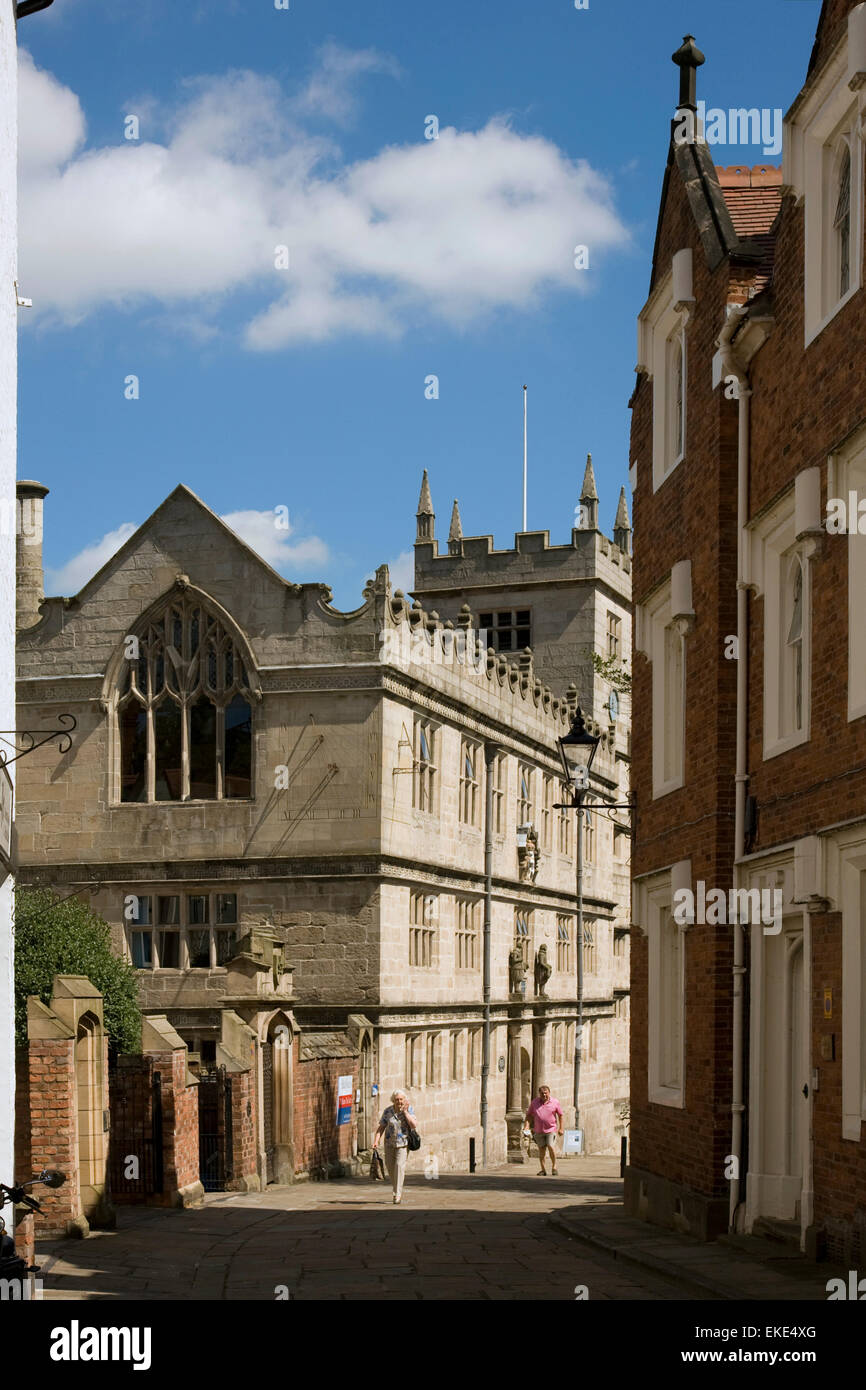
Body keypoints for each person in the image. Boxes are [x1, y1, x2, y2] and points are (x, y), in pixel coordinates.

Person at [372, 1089, 418, 1204]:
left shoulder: (409, 1109)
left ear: (404, 1100)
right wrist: (376, 1141)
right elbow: (381, 1127)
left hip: (403, 1143)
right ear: (393, 1100)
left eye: (401, 1099)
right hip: (389, 1144)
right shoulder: (388, 1111)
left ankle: (397, 1194)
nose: (399, 1102)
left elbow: (414, 1125)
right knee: (390, 1167)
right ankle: (396, 1188)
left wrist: (406, 1113)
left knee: (399, 1166)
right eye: (397, 1099)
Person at [525, 1083, 563, 1175]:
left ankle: (554, 1167)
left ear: (549, 1093)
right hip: (539, 1130)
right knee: (541, 1150)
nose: (544, 1095)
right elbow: (529, 1115)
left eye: (546, 1093)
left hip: (551, 1129)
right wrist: (527, 1126)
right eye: (542, 1093)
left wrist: (561, 1128)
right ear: (539, 1094)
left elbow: (560, 1115)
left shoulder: (555, 1102)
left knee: (550, 1146)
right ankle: (543, 1170)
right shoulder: (534, 1103)